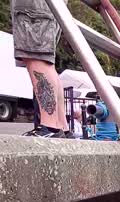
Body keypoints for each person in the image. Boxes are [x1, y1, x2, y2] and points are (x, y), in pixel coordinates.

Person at [13, 0, 70, 138]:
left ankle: (51, 127)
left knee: (36, 56)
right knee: (45, 61)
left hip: (35, 6)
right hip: (50, 6)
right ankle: (61, 126)